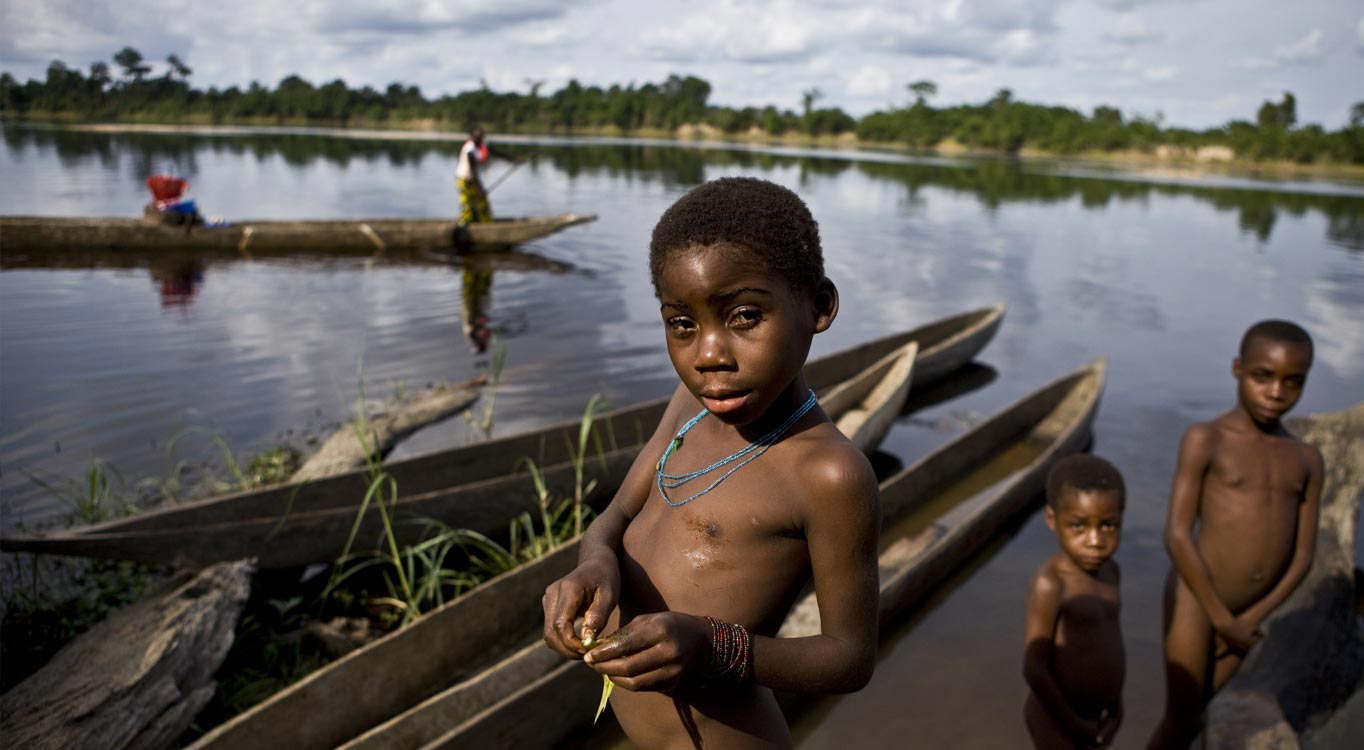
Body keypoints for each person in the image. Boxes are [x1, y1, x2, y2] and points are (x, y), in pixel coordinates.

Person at [541, 177, 881, 749]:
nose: (709, 356)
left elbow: (849, 659)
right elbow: (614, 517)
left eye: (745, 316)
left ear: (819, 306)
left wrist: (712, 645)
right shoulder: (690, 409)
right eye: (682, 324)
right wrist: (594, 566)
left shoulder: (828, 475)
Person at [1147, 320, 1323, 749]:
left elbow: (1303, 555)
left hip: (1248, 615)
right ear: (1237, 369)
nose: (1276, 393)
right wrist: (1222, 618)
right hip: (1198, 599)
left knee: (1194, 718)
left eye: (1292, 382)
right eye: (1263, 376)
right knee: (1179, 720)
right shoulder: (1207, 439)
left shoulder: (1306, 458)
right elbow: (1176, 534)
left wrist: (1251, 617)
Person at [1023, 454, 1126, 750]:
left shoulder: (1111, 571)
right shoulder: (1052, 584)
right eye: (1079, 526)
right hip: (1056, 718)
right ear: (1052, 520)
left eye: (1108, 525)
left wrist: (1116, 705)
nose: (1095, 540)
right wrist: (1072, 724)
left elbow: (1111, 638)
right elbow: (1034, 667)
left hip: (1095, 716)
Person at [455, 126, 519, 226]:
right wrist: (479, 187)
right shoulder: (469, 150)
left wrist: (513, 159)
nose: (480, 140)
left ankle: (484, 223)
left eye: (481, 137)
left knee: (482, 202)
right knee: (468, 201)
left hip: (474, 178)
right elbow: (473, 172)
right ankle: (464, 224)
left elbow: (496, 153)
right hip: (465, 178)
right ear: (472, 138)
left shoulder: (482, 145)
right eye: (477, 138)